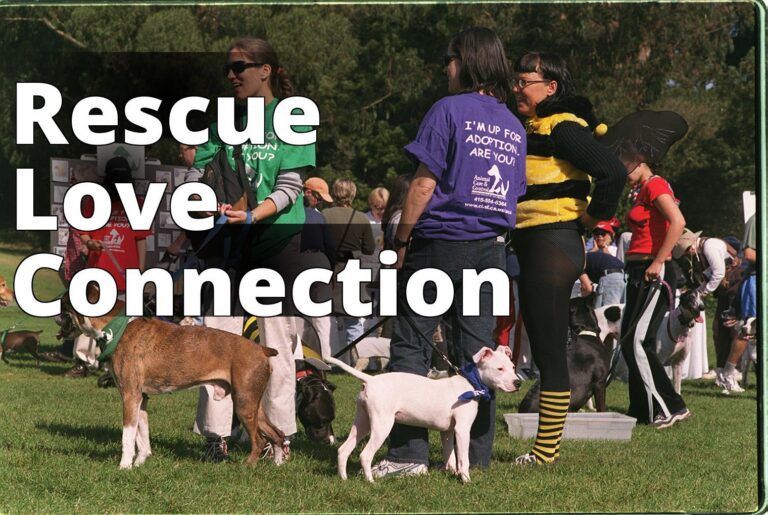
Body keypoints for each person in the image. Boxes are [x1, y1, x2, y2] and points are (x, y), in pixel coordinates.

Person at [371, 27, 526, 478]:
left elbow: (423, 183)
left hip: (439, 244)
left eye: (450, 57)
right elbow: (512, 194)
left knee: (413, 345)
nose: (445, 66)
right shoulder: (515, 126)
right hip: (491, 251)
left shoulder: (447, 110)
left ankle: (406, 458)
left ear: (470, 61)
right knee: (482, 358)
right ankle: (470, 458)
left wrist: (400, 241)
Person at [195, 37, 316, 463]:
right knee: (216, 341)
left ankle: (279, 439)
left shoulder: (294, 116)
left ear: (265, 71)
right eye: (228, 68)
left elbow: (290, 187)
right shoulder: (223, 119)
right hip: (227, 243)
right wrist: (206, 199)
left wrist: (252, 215)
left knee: (276, 343)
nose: (231, 75)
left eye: (240, 67)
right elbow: (199, 174)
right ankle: (216, 435)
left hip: (277, 240)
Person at [510, 51, 625, 464]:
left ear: (551, 87)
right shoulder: (535, 126)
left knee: (547, 350)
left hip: (552, 241)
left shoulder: (562, 127)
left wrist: (593, 217)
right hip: (537, 242)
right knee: (543, 346)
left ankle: (545, 452)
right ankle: (546, 450)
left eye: (525, 81)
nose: (517, 88)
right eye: (516, 81)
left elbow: (612, 172)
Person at [600, 110, 692, 428]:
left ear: (640, 159)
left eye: (625, 164)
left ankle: (671, 407)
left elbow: (678, 222)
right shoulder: (638, 191)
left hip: (655, 271)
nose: (622, 170)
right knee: (629, 341)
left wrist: (658, 261)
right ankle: (642, 409)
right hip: (637, 271)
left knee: (639, 341)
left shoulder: (655, 185)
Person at [68, 156, 151, 377]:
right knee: (89, 317)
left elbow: (140, 239)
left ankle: (112, 365)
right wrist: (88, 242)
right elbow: (82, 229)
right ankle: (83, 362)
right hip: (98, 271)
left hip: (126, 272)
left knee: (123, 322)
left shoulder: (138, 204)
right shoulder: (94, 202)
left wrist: (140, 273)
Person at [672, 227, 740, 383]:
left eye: (686, 251)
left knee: (732, 330)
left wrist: (702, 292)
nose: (687, 254)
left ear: (691, 246)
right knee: (718, 329)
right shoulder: (705, 247)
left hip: (734, 287)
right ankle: (722, 371)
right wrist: (697, 287)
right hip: (726, 290)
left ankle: (733, 371)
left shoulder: (710, 246)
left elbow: (719, 273)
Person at [322, 178, 375, 351]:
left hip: (330, 268)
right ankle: (358, 358)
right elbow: (369, 248)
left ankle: (331, 358)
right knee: (353, 319)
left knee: (329, 318)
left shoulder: (324, 215)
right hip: (353, 269)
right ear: (353, 193)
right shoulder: (361, 218)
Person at [720, 213, 757, 394]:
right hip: (756, 281)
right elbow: (749, 253)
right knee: (747, 330)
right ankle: (728, 374)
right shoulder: (756, 220)